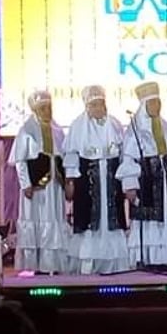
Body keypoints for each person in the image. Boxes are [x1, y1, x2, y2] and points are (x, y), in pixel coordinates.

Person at [117, 81, 167, 272]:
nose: (157, 106)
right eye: (153, 103)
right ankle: (149, 259)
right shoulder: (135, 130)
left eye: (158, 102)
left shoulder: (165, 127)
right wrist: (130, 185)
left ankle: (165, 259)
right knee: (149, 221)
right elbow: (128, 159)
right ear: (144, 105)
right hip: (147, 181)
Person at [63, 85, 130, 274]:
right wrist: (70, 180)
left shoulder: (115, 124)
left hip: (111, 178)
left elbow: (123, 154)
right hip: (87, 179)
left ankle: (114, 264)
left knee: (112, 218)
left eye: (101, 104)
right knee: (89, 220)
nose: (99, 108)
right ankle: (88, 264)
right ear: (87, 107)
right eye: (94, 105)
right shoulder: (78, 126)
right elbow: (71, 155)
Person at [8, 89, 68, 274]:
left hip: (54, 186)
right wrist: (25, 184)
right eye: (43, 108)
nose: (47, 111)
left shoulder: (58, 131)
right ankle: (34, 265)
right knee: (35, 220)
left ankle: (53, 264)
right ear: (35, 110)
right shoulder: (27, 131)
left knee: (54, 219)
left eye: (49, 107)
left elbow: (63, 157)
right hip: (35, 187)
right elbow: (20, 161)